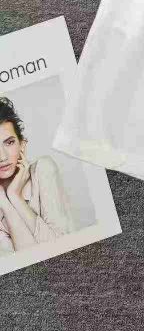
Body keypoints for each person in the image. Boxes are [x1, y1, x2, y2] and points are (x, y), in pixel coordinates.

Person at [0, 96, 73, 255]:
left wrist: (15, 196)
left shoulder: (42, 169)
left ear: (22, 145)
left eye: (9, 142)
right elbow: (28, 261)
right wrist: (4, 201)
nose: (2, 157)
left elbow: (61, 248)